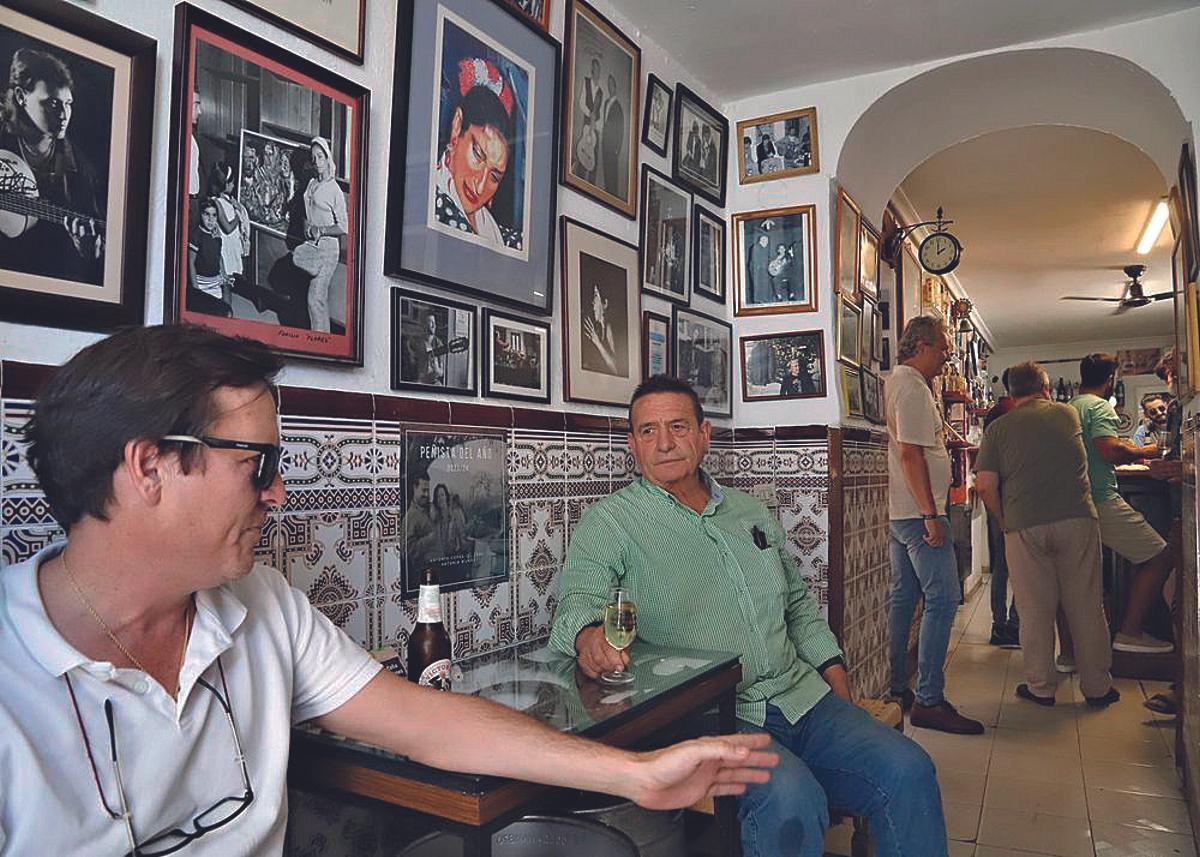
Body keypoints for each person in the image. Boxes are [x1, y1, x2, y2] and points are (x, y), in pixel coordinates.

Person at [0, 326, 777, 855]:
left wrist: (636, 774)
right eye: (257, 465)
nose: (277, 495)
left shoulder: (262, 605)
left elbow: (427, 720)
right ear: (148, 468)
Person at [551, 375, 946, 857]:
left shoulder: (749, 512)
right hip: (707, 717)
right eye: (648, 431)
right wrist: (589, 636)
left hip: (801, 698)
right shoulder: (611, 521)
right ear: (633, 444)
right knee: (791, 797)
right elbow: (577, 605)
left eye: (677, 426)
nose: (665, 443)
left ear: (704, 434)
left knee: (908, 769)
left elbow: (798, 604)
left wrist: (832, 667)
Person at [974, 362, 1118, 708]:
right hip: (1077, 520)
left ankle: (1041, 687)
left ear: (1010, 393)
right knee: (1086, 605)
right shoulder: (1067, 415)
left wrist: (1006, 518)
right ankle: (1097, 687)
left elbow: (984, 485)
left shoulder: (998, 429)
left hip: (1025, 526)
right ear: (1045, 387)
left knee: (1034, 610)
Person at [885, 316, 983, 734]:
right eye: (943, 347)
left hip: (903, 512)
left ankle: (896, 689)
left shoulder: (900, 383)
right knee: (943, 599)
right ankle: (927, 699)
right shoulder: (910, 385)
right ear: (921, 344)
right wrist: (930, 513)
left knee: (904, 598)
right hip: (917, 513)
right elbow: (910, 454)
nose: (947, 355)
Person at [1070, 353, 1174, 653]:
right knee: (1160, 556)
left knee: (1083, 577)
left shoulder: (1071, 406)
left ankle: (1081, 646)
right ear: (1110, 379)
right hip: (1101, 497)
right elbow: (1108, 450)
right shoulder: (1100, 406)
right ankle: (1130, 632)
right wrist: (1148, 452)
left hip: (1076, 499)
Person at [0, 47, 103, 284]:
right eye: (53, 104)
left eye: (68, 104)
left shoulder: (80, 168)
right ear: (21, 96)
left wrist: (87, 252)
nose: (65, 114)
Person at [433, 58, 522, 251]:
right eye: (478, 155)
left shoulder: (494, 230)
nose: (480, 186)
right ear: (457, 125)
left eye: (494, 177)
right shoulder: (435, 204)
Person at [982, 368, 1019, 648]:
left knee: (1000, 566)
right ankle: (1016, 624)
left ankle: (998, 625)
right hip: (1021, 495)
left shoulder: (994, 415)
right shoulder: (1026, 416)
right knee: (1024, 563)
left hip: (995, 492)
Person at [298, 136, 347, 334]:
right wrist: (307, 226)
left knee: (314, 297)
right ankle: (324, 337)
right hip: (312, 245)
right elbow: (305, 211)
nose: (317, 162)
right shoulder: (311, 183)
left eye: (321, 157)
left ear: (328, 159)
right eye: (314, 158)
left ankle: (317, 343)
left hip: (328, 250)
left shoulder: (334, 190)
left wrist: (321, 230)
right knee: (318, 298)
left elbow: (344, 226)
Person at [208, 162, 253, 311]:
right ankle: (226, 311)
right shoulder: (217, 202)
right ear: (225, 184)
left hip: (231, 247)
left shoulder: (226, 199)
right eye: (232, 182)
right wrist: (237, 218)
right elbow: (227, 227)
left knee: (230, 282)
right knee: (225, 283)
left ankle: (226, 309)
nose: (234, 185)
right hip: (224, 249)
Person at [187, 197, 231, 317]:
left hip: (215, 281)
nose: (210, 220)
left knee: (226, 310)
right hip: (201, 282)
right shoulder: (196, 235)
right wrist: (196, 287)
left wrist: (224, 274)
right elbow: (191, 262)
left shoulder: (216, 235)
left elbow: (219, 256)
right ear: (200, 214)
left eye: (214, 215)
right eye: (206, 214)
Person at [582, 284, 620, 375]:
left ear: (605, 303)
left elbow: (616, 369)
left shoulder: (609, 328)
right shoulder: (593, 327)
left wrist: (597, 342)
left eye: (595, 296)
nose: (592, 302)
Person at [600, 73, 624, 197]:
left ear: (615, 87)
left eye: (611, 85)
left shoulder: (618, 107)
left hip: (613, 146)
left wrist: (617, 149)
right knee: (606, 171)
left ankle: (612, 196)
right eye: (608, 85)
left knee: (612, 173)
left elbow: (621, 130)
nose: (609, 87)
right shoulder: (606, 103)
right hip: (605, 142)